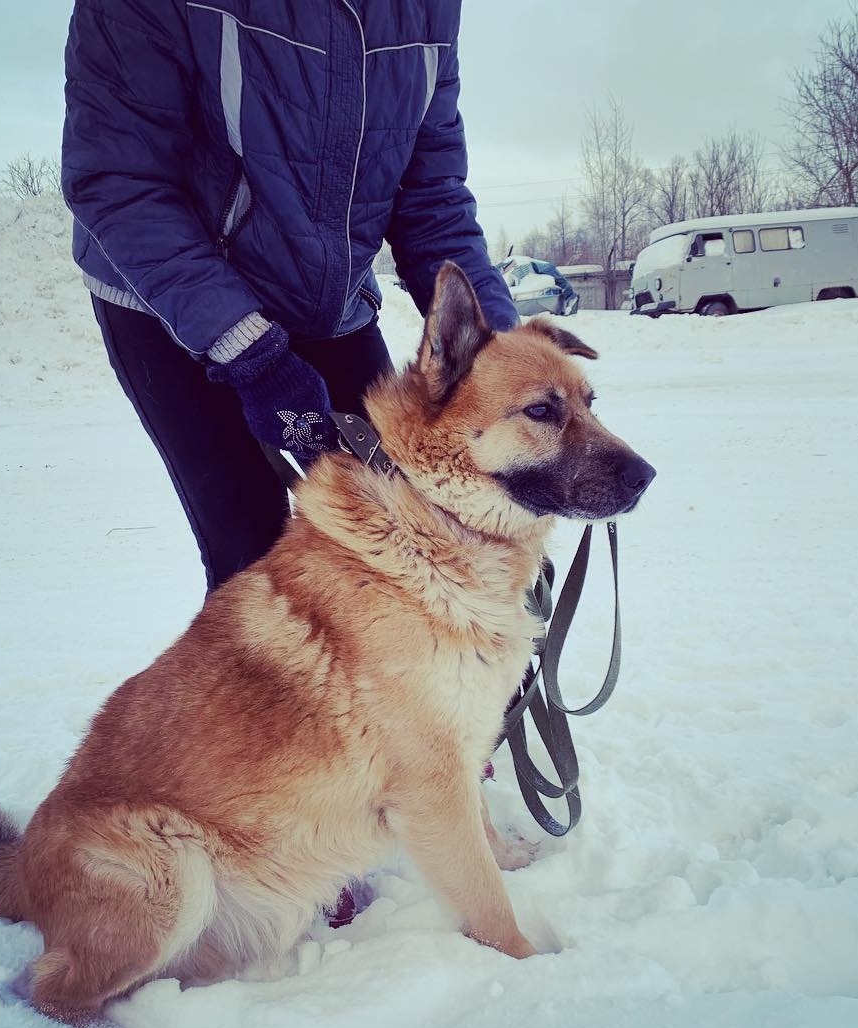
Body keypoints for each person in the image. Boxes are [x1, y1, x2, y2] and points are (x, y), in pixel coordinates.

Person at [61, 1, 517, 591]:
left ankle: (452, 680)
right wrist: (252, 355)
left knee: (411, 525)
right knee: (257, 557)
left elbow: (433, 204)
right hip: (175, 300)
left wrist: (509, 361)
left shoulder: (426, 9)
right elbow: (118, 180)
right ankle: (271, 679)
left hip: (328, 297)